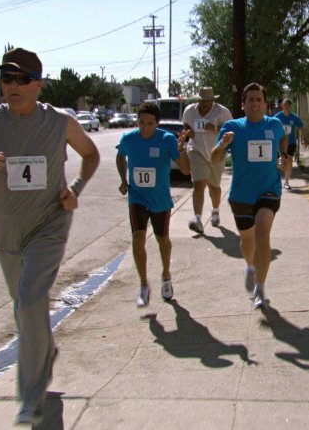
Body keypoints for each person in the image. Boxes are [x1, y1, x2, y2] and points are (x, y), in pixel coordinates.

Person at [0, 47, 100, 426]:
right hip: (7, 233)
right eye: (6, 78)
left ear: (39, 85)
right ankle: (44, 353)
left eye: (21, 79)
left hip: (49, 225)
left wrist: (76, 189)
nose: (11, 86)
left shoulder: (59, 121)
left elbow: (91, 154)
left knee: (30, 301)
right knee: (26, 309)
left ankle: (30, 398)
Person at [211, 82, 286, 309]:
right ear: (243, 105)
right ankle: (251, 266)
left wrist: (282, 157)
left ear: (265, 104)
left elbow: (282, 139)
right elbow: (214, 158)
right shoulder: (232, 127)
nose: (255, 103)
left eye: (259, 100)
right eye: (250, 100)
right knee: (247, 242)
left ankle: (260, 288)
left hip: (269, 190)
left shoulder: (274, 125)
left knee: (263, 235)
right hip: (241, 194)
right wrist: (223, 145)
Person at [116, 102, 190, 307]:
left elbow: (185, 171)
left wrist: (182, 148)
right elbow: (120, 156)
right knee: (138, 238)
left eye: (150, 123)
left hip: (160, 200)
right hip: (137, 198)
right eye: (141, 123)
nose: (145, 128)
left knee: (162, 239)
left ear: (157, 123)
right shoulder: (129, 139)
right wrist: (123, 179)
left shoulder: (166, 140)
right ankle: (143, 284)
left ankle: (166, 275)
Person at [181, 87, 234, 234]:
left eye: (207, 101)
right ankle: (197, 219)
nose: (204, 104)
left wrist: (215, 128)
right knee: (198, 184)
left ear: (212, 100)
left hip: (216, 152)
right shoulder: (189, 111)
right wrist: (188, 132)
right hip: (196, 150)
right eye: (202, 101)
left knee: (214, 186)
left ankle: (215, 211)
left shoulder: (223, 112)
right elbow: (185, 125)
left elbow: (230, 131)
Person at [273, 99, 305, 190]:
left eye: (288, 105)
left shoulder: (294, 117)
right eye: (285, 105)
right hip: (280, 143)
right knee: (280, 162)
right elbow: (271, 126)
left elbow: (301, 127)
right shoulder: (277, 117)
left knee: (289, 160)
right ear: (282, 106)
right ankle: (277, 178)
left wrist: (304, 138)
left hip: (291, 143)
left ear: (290, 106)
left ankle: (286, 181)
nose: (286, 107)